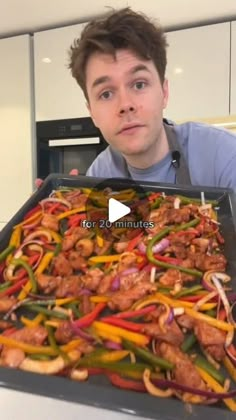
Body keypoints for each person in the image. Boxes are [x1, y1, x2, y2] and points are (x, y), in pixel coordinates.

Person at [68, 7, 236, 189]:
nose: (125, 105)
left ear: (164, 93)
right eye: (106, 94)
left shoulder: (224, 155)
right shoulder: (100, 174)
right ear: (92, 113)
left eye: (139, 84)